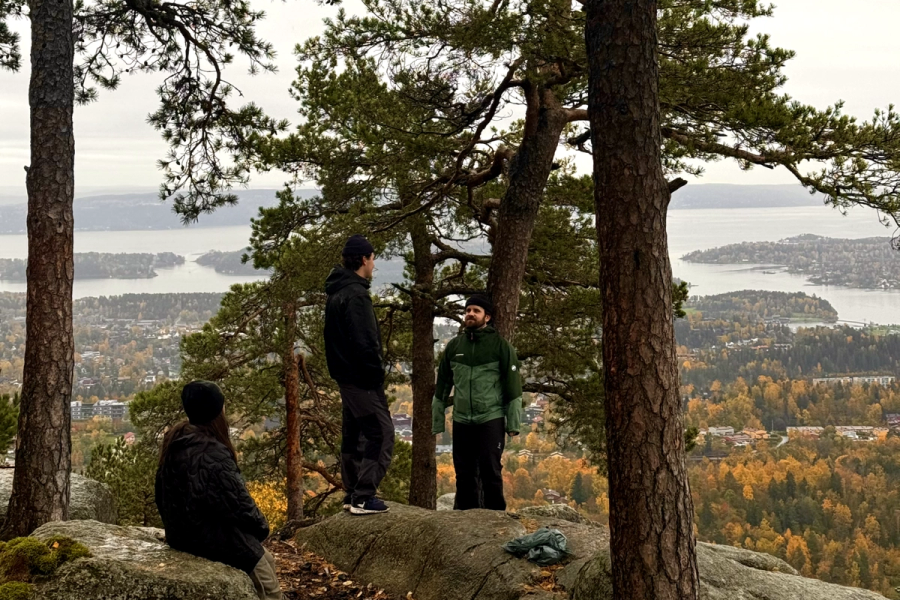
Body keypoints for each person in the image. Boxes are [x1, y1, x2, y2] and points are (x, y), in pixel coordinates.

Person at [155, 380, 282, 600]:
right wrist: (261, 529)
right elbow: (240, 505)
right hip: (208, 539)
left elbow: (161, 495)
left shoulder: (176, 441)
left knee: (267, 559)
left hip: (181, 535)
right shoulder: (212, 452)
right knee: (265, 578)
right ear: (215, 411)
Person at [324, 234, 394, 515]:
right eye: (373, 258)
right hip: (362, 380)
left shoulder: (337, 292)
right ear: (364, 259)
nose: (374, 264)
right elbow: (365, 343)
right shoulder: (356, 295)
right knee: (381, 433)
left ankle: (352, 493)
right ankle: (363, 497)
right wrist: (375, 378)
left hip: (346, 378)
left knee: (354, 434)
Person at [432, 294, 523, 510]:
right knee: (463, 473)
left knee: (491, 471)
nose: (470, 314)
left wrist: (513, 424)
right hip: (462, 419)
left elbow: (513, 387)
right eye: (468, 310)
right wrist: (437, 421)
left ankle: (496, 520)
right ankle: (465, 520)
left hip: (490, 418)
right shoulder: (455, 347)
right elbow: (442, 384)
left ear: (487, 317)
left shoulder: (500, 346)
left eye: (476, 311)